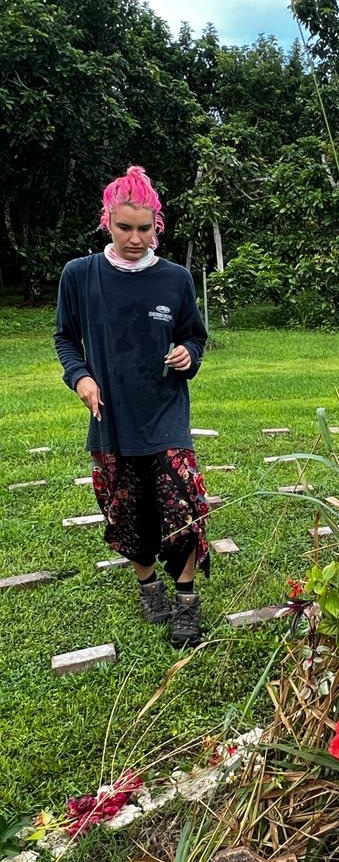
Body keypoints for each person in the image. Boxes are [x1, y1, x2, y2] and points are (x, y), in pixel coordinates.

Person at [54, 165, 210, 647]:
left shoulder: (175, 279)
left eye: (145, 228)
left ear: (156, 225)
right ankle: (148, 586)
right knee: (125, 510)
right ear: (108, 221)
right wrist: (80, 377)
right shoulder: (80, 275)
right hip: (112, 419)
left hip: (165, 413)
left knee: (183, 504)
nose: (136, 238)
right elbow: (65, 338)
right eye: (125, 227)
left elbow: (194, 337)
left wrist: (188, 355)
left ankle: (186, 598)